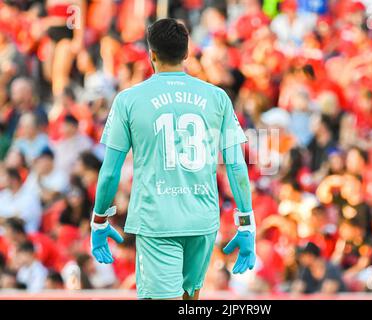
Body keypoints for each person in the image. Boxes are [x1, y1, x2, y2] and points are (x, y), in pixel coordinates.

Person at [90, 19, 256, 300]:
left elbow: (110, 172)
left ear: (151, 54)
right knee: (188, 302)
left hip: (157, 221)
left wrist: (99, 221)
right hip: (202, 220)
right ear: (187, 53)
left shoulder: (129, 100)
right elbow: (236, 166)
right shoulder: (217, 97)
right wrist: (246, 223)